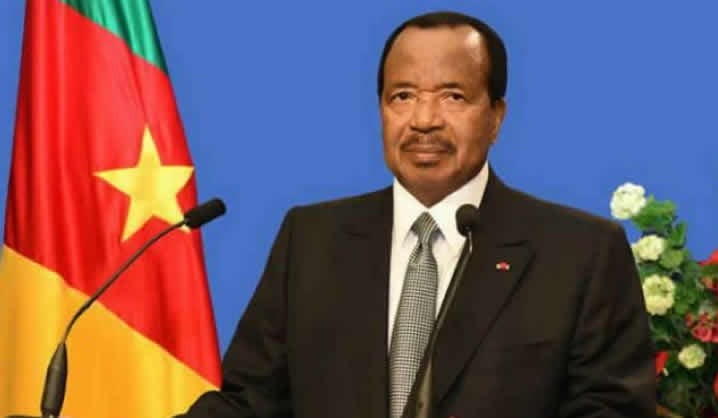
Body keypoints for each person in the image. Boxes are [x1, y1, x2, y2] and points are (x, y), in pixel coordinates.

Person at [177, 10, 655, 418]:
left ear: (496, 116)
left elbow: (611, 410)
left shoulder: (580, 254)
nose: (424, 120)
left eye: (453, 96)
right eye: (402, 96)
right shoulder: (311, 240)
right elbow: (249, 404)